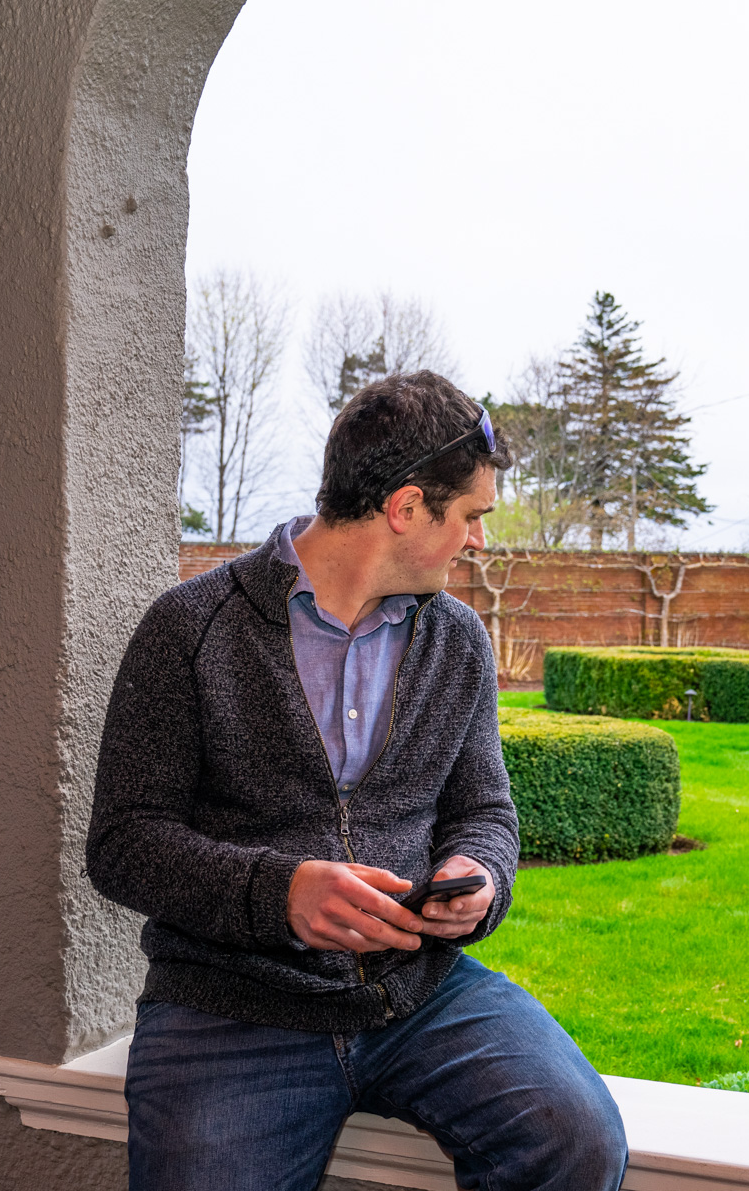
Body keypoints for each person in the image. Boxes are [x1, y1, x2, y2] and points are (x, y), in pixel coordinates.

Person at [86, 371, 627, 1190]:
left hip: (423, 998)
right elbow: (124, 843)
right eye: (472, 516)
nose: (479, 541)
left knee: (577, 1142)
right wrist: (282, 893)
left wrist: (478, 878)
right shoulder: (190, 629)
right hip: (231, 1008)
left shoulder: (458, 640)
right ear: (407, 508)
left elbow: (483, 809)